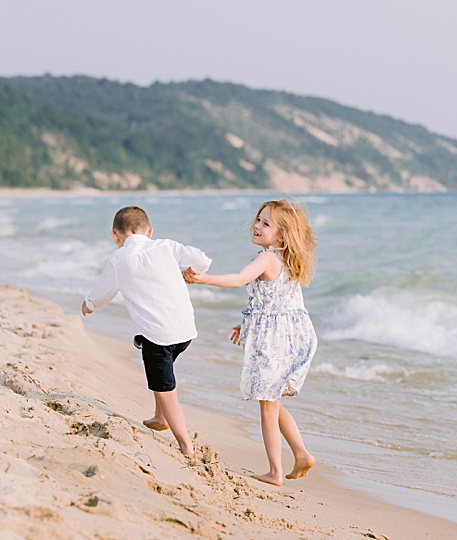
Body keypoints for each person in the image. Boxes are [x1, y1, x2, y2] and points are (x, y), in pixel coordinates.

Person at [183, 198, 319, 486]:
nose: (257, 225)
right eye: (258, 219)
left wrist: (204, 279)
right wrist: (247, 322)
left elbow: (238, 279)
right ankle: (301, 453)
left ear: (282, 235)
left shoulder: (268, 258)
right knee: (272, 400)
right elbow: (276, 303)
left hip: (273, 341)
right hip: (291, 335)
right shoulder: (288, 260)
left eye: (266, 223)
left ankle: (275, 471)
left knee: (267, 406)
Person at [82, 206, 211, 457]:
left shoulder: (118, 259)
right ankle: (159, 417)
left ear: (115, 236)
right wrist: (191, 272)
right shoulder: (166, 246)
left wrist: (88, 305)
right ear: (149, 232)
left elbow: (102, 291)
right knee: (163, 370)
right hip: (185, 330)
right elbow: (202, 259)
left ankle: (185, 445)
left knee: (165, 387)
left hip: (157, 336)